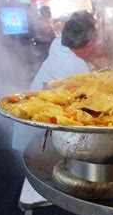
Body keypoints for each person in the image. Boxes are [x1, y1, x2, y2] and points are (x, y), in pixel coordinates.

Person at [12, 10, 97, 151]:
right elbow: (91, 105)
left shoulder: (58, 44)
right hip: (36, 139)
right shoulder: (78, 67)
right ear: (90, 44)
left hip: (24, 125)